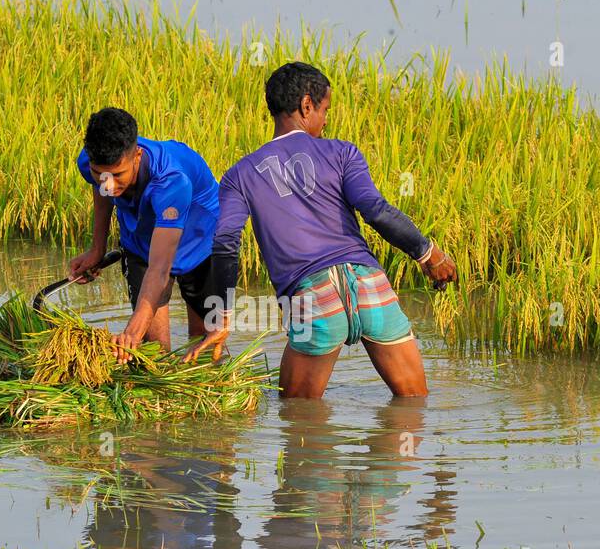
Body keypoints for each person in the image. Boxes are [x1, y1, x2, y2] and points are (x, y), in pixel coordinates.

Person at [185, 62, 456, 397]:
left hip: (312, 302)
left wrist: (223, 315)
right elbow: (376, 210)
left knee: (297, 422)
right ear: (306, 106)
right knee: (413, 409)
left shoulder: (240, 175)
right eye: (325, 109)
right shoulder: (342, 152)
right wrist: (428, 253)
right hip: (371, 287)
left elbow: (225, 243)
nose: (326, 120)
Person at [68, 107, 219, 360]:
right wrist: (97, 249)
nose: (108, 185)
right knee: (153, 351)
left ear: (137, 155)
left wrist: (131, 331)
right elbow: (101, 191)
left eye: (117, 175)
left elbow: (160, 268)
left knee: (204, 344)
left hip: (198, 240)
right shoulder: (90, 161)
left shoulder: (171, 180)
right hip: (140, 239)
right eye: (100, 175)